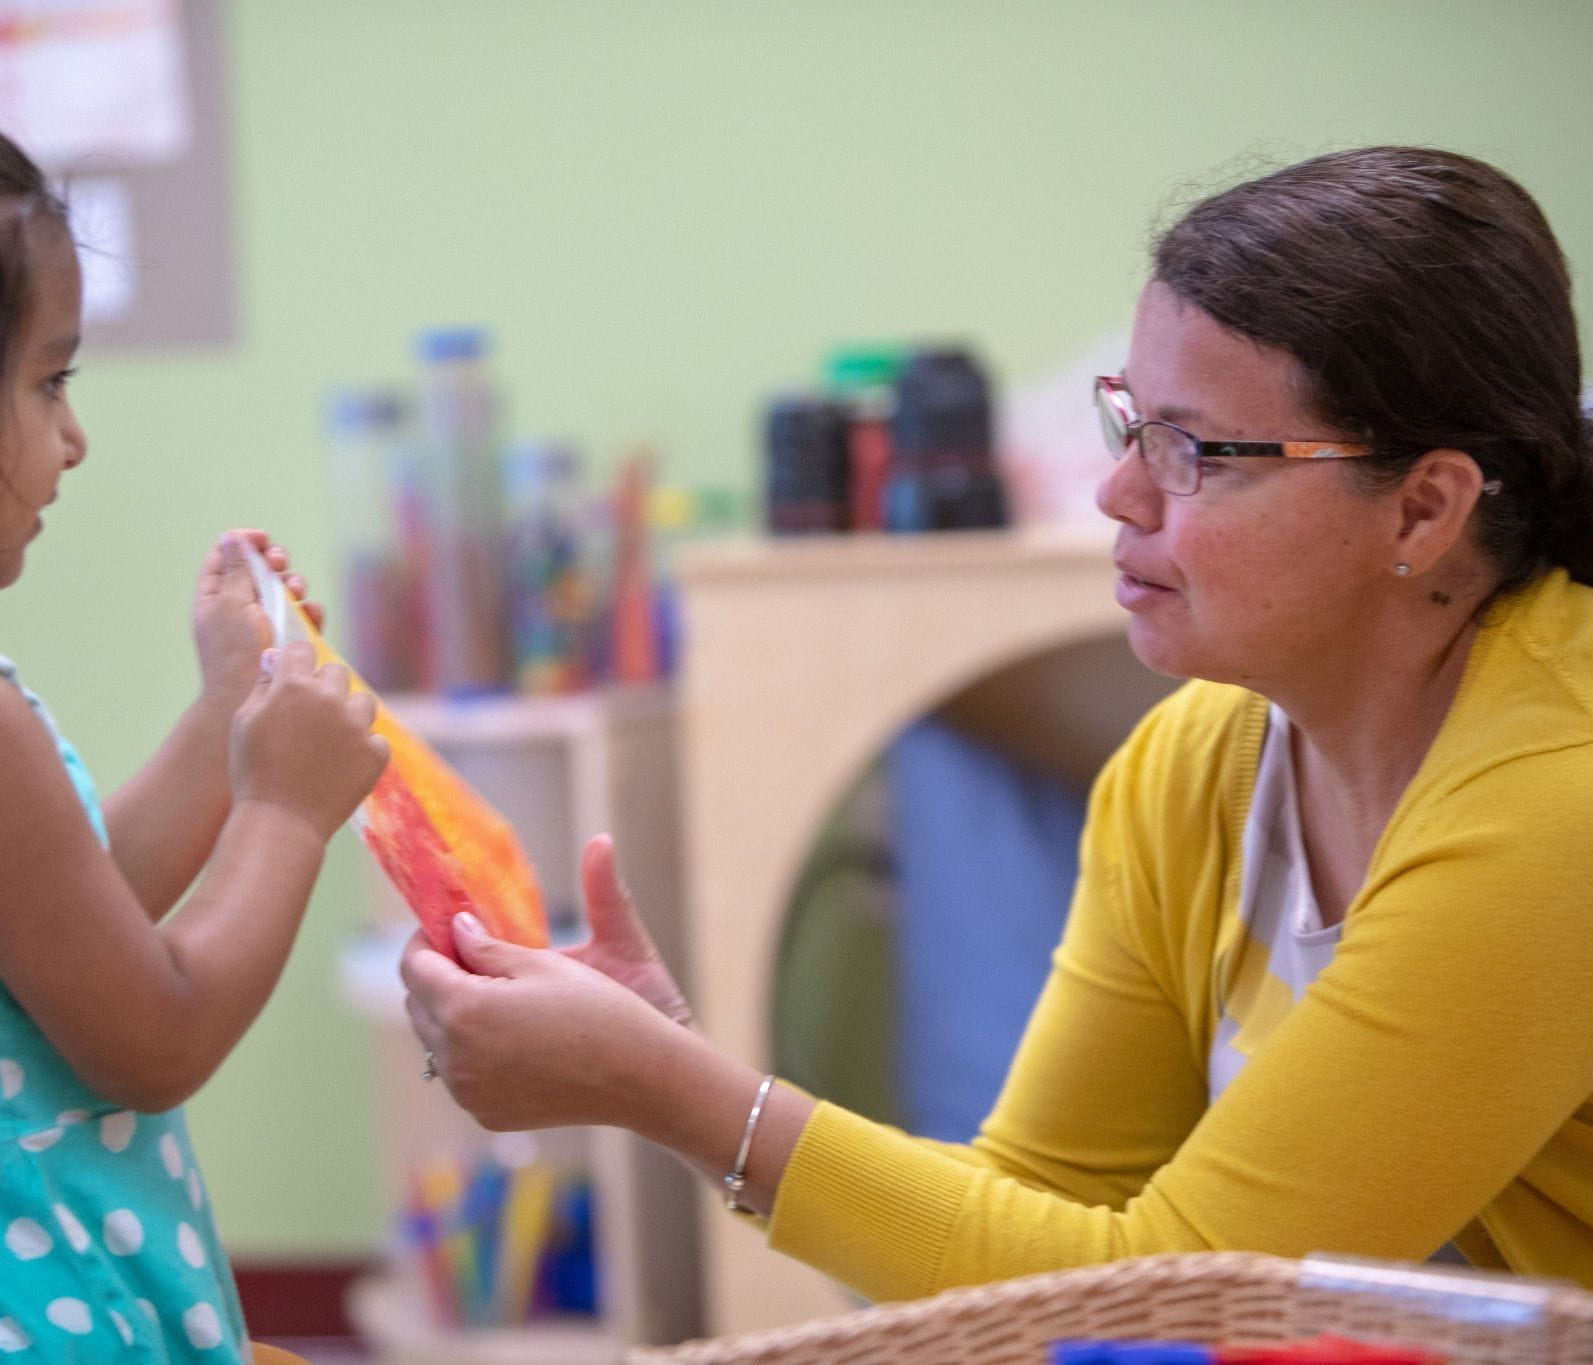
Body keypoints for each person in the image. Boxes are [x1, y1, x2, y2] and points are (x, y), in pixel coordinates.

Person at [402, 145, 1593, 1303]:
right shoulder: (1191, 765)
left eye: (1193, 452)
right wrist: (678, 1070)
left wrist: (678, 1095)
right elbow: (1037, 1209)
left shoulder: (1552, 811)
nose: (1116, 492)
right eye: (1131, 425)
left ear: (1424, 508)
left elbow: (1197, 1288)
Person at [0, 93, 388, 1359]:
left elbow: (57, 923)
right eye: (47, 381)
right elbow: (149, 1039)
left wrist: (228, 712)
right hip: (35, 1329)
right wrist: (283, 813)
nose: (76, 437)